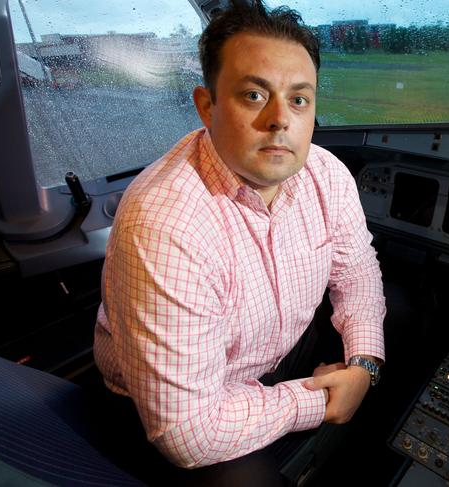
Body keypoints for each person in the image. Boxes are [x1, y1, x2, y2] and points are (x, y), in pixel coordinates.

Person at [93, 0, 385, 482]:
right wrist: (324, 399)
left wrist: (363, 364)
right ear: (206, 106)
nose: (279, 120)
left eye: (298, 99)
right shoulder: (165, 224)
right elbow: (187, 431)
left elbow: (356, 273)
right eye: (254, 95)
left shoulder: (326, 175)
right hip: (175, 402)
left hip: (275, 354)